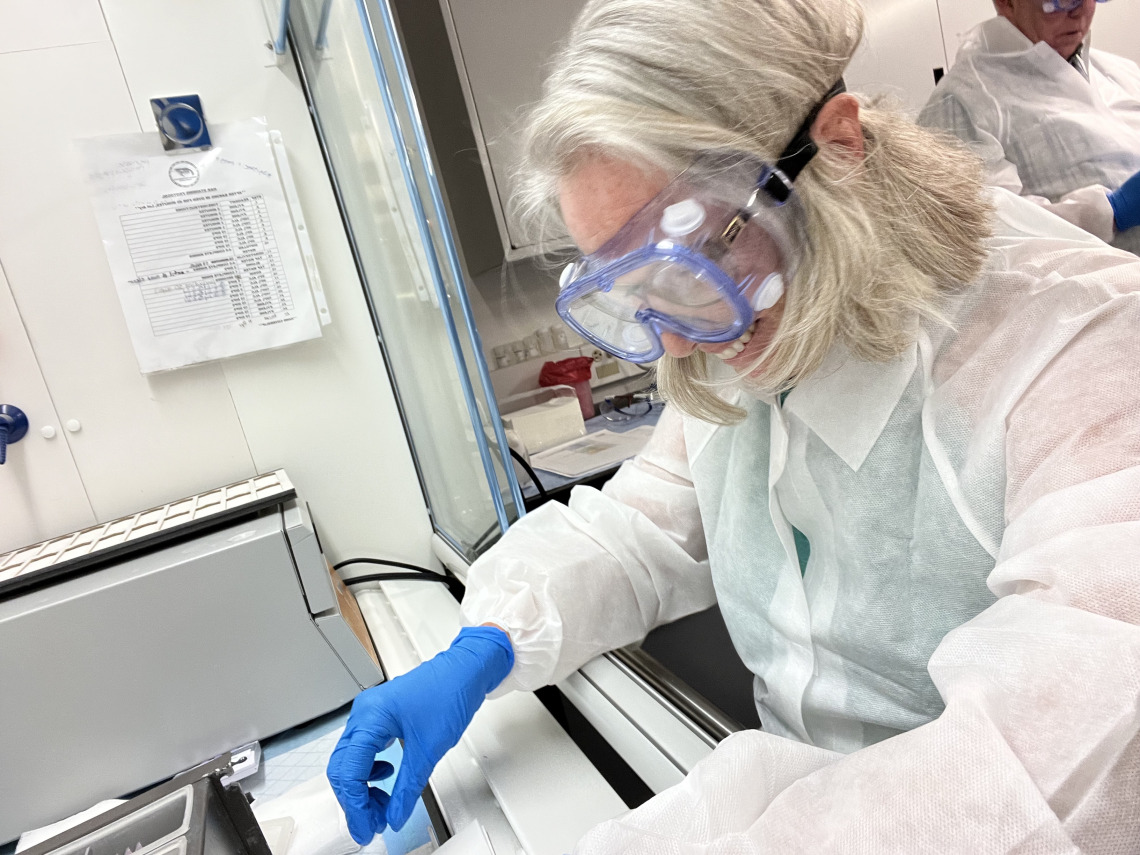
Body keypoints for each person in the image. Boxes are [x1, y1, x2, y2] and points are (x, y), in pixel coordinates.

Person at [328, 0, 1140, 850]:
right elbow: (644, 525)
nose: (674, 337)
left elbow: (1064, 751)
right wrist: (488, 639)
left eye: (695, 257)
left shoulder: (1077, 344)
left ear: (837, 145)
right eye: (638, 285)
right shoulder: (744, 323)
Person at [918, 0, 1140, 255]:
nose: (1080, 9)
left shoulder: (1119, 71)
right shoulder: (961, 101)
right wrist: (1113, 210)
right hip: (1096, 291)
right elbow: (984, 235)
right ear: (1007, 2)